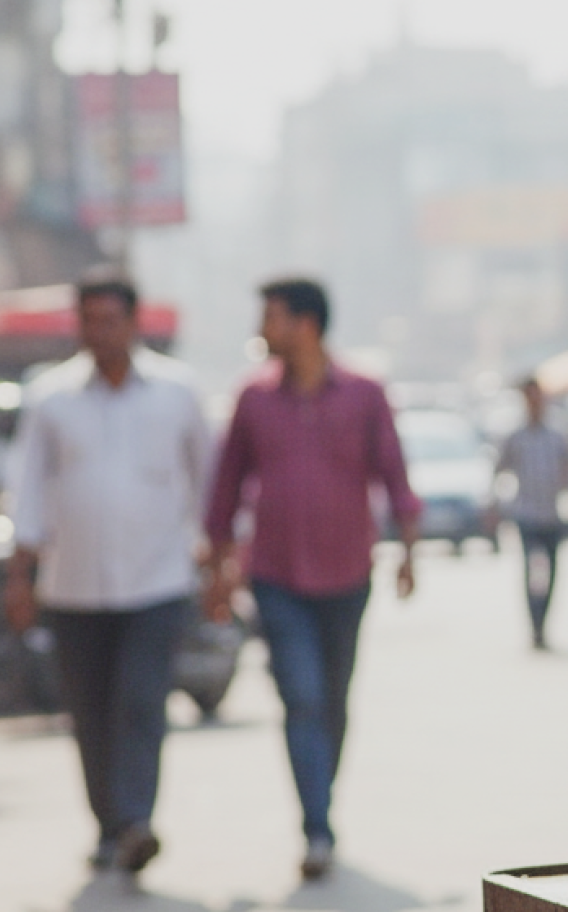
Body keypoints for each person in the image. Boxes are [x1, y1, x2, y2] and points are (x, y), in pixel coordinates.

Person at [203, 277, 422, 880]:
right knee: (300, 697)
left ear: (305, 324)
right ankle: (317, 828)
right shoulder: (252, 398)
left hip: (348, 572)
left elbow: (395, 476)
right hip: (274, 576)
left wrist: (408, 551)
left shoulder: (364, 393)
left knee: (332, 699)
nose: (261, 329)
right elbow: (225, 487)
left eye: (270, 317)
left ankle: (320, 801)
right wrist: (218, 565)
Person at [4, 275, 211, 874]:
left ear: (133, 322)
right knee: (90, 710)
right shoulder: (52, 397)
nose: (100, 332)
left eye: (110, 320)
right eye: (89, 320)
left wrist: (219, 558)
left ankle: (136, 820)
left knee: (142, 701)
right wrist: (22, 576)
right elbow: (31, 493)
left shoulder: (177, 393)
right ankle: (110, 825)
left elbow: (208, 479)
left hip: (158, 582)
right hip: (74, 587)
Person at [499, 378, 568, 648]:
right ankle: (534, 626)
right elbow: (500, 469)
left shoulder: (557, 434)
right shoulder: (515, 435)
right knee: (533, 573)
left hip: (551, 515)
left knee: (552, 573)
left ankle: (544, 623)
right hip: (527, 515)